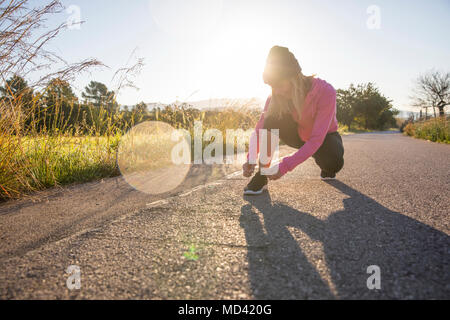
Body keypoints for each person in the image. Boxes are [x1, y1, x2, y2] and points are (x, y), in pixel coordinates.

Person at [243, 46, 344, 195]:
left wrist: (285, 166)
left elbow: (316, 139)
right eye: (272, 86)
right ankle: (262, 175)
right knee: (271, 118)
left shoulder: (326, 92)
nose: (276, 91)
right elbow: (261, 128)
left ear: (294, 77)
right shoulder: (276, 97)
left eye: (279, 84)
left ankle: (325, 165)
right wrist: (251, 158)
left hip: (324, 139)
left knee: (332, 164)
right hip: (298, 135)